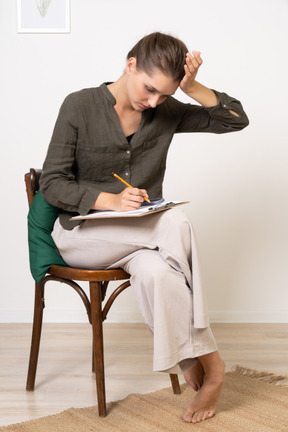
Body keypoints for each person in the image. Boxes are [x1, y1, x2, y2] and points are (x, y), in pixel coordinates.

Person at [39, 32, 249, 423]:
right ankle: (215, 366)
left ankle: (190, 363)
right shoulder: (79, 105)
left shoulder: (166, 111)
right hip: (83, 237)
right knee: (174, 221)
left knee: (160, 275)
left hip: (144, 241)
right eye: (149, 89)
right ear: (130, 63)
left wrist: (192, 87)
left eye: (164, 96)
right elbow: (51, 183)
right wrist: (111, 201)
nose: (152, 103)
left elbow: (235, 119)